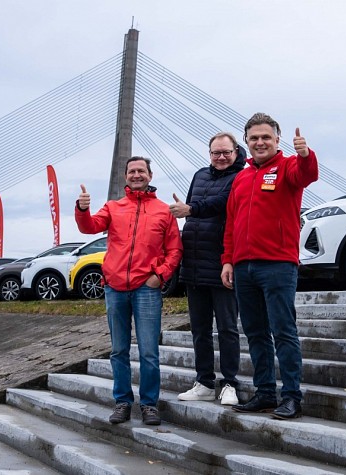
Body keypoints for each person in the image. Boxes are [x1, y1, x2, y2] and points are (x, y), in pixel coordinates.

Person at [221, 113, 319, 420]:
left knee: (283, 331)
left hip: (277, 265)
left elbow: (307, 175)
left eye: (266, 137)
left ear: (277, 140)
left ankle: (291, 397)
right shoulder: (241, 177)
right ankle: (264, 393)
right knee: (255, 333)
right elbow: (232, 223)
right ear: (246, 142)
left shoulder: (288, 166)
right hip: (244, 267)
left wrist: (306, 155)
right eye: (254, 138)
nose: (260, 142)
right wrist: (227, 260)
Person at [75, 156, 182, 426]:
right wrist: (82, 209)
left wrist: (160, 276)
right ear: (125, 176)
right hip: (115, 289)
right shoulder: (113, 207)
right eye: (132, 171)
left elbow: (175, 250)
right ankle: (122, 402)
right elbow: (89, 227)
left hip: (147, 289)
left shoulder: (164, 211)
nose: (136, 175)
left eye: (141, 171)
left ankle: (149, 404)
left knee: (149, 352)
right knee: (118, 351)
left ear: (150, 175)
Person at [169, 132, 246, 406]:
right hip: (194, 263)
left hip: (222, 262)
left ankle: (230, 383)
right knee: (199, 330)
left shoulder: (241, 177)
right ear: (209, 153)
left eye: (226, 152)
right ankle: (203, 382)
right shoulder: (200, 175)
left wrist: (190, 209)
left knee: (227, 328)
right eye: (216, 153)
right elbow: (193, 209)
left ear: (236, 152)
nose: (221, 157)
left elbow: (220, 204)